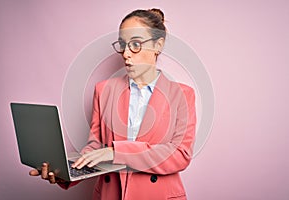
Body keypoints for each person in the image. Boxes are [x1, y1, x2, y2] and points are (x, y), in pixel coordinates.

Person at [30, 8, 196, 200]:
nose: (126, 53)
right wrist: (64, 173)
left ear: (158, 45)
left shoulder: (182, 95)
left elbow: (180, 155)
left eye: (135, 44)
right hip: (110, 194)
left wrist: (115, 152)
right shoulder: (104, 90)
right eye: (123, 44)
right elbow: (94, 147)